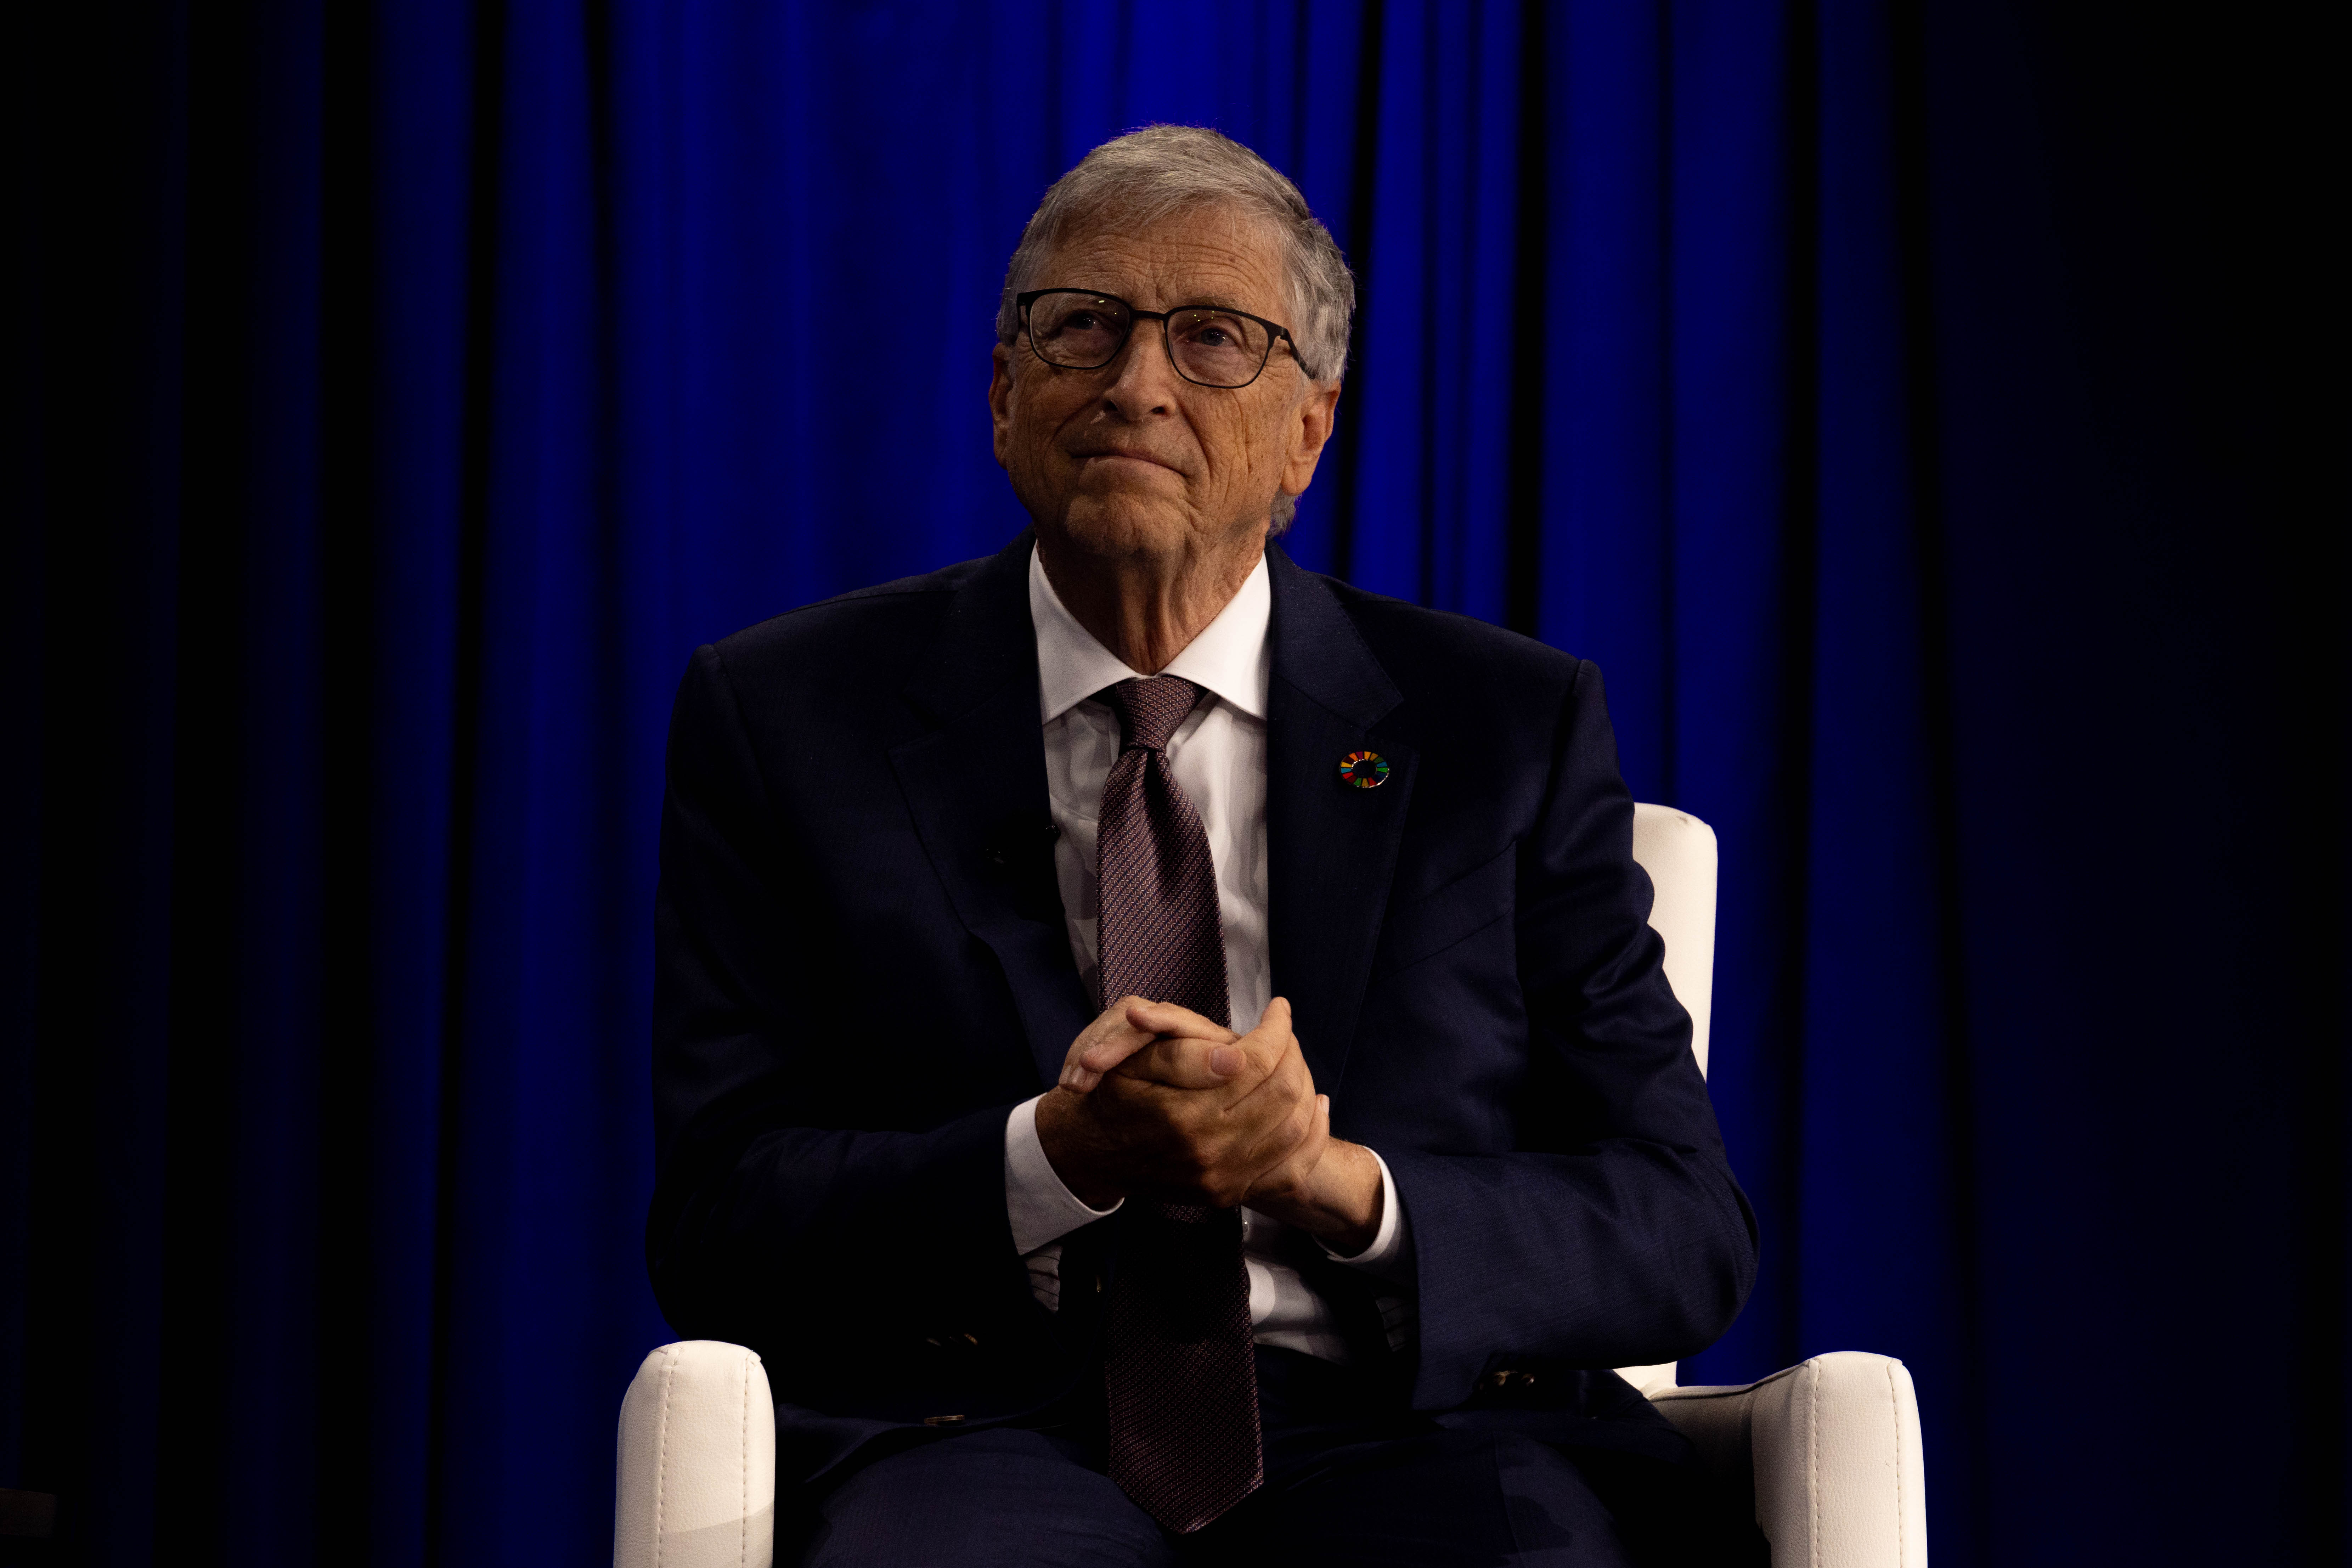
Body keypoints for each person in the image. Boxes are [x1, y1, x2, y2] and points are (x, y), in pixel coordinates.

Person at [649, 124, 1759, 1567]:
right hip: (977, 1428)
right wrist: (1049, 1156)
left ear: (1309, 430)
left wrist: (1329, 1175)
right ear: (1003, 395)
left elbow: (1681, 1228)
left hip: (1419, 1431)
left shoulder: (1504, 729)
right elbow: (718, 1222)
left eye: (1214, 338)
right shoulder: (786, 717)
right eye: (1082, 325)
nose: (1137, 383)